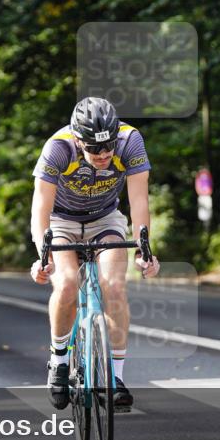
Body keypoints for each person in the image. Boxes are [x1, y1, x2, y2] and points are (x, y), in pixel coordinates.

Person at [30, 97, 160, 411]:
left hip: (105, 218)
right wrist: (43, 255)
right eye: (93, 149)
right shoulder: (58, 148)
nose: (103, 155)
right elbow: (41, 208)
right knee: (67, 284)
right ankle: (59, 360)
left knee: (114, 286)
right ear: (78, 141)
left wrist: (145, 250)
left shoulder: (131, 141)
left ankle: (114, 378)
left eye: (108, 147)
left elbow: (139, 201)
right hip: (62, 220)